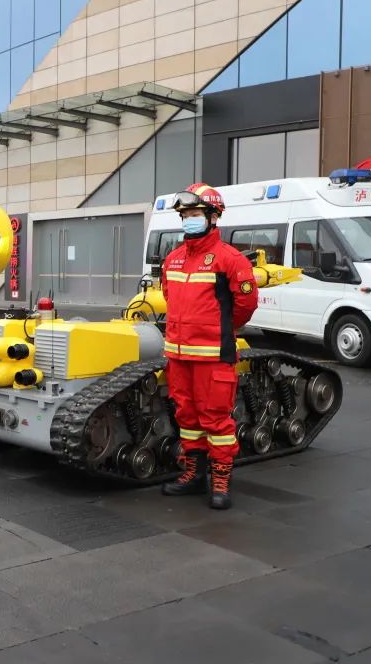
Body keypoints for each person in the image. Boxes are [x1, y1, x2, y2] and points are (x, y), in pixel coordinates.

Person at [159, 183, 259, 510]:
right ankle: (194, 474)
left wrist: (220, 330)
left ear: (214, 216)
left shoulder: (230, 260)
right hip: (178, 356)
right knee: (186, 417)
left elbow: (245, 304)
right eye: (185, 215)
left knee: (216, 420)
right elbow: (170, 299)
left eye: (196, 214)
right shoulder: (172, 260)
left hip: (214, 356)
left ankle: (220, 479)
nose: (189, 219)